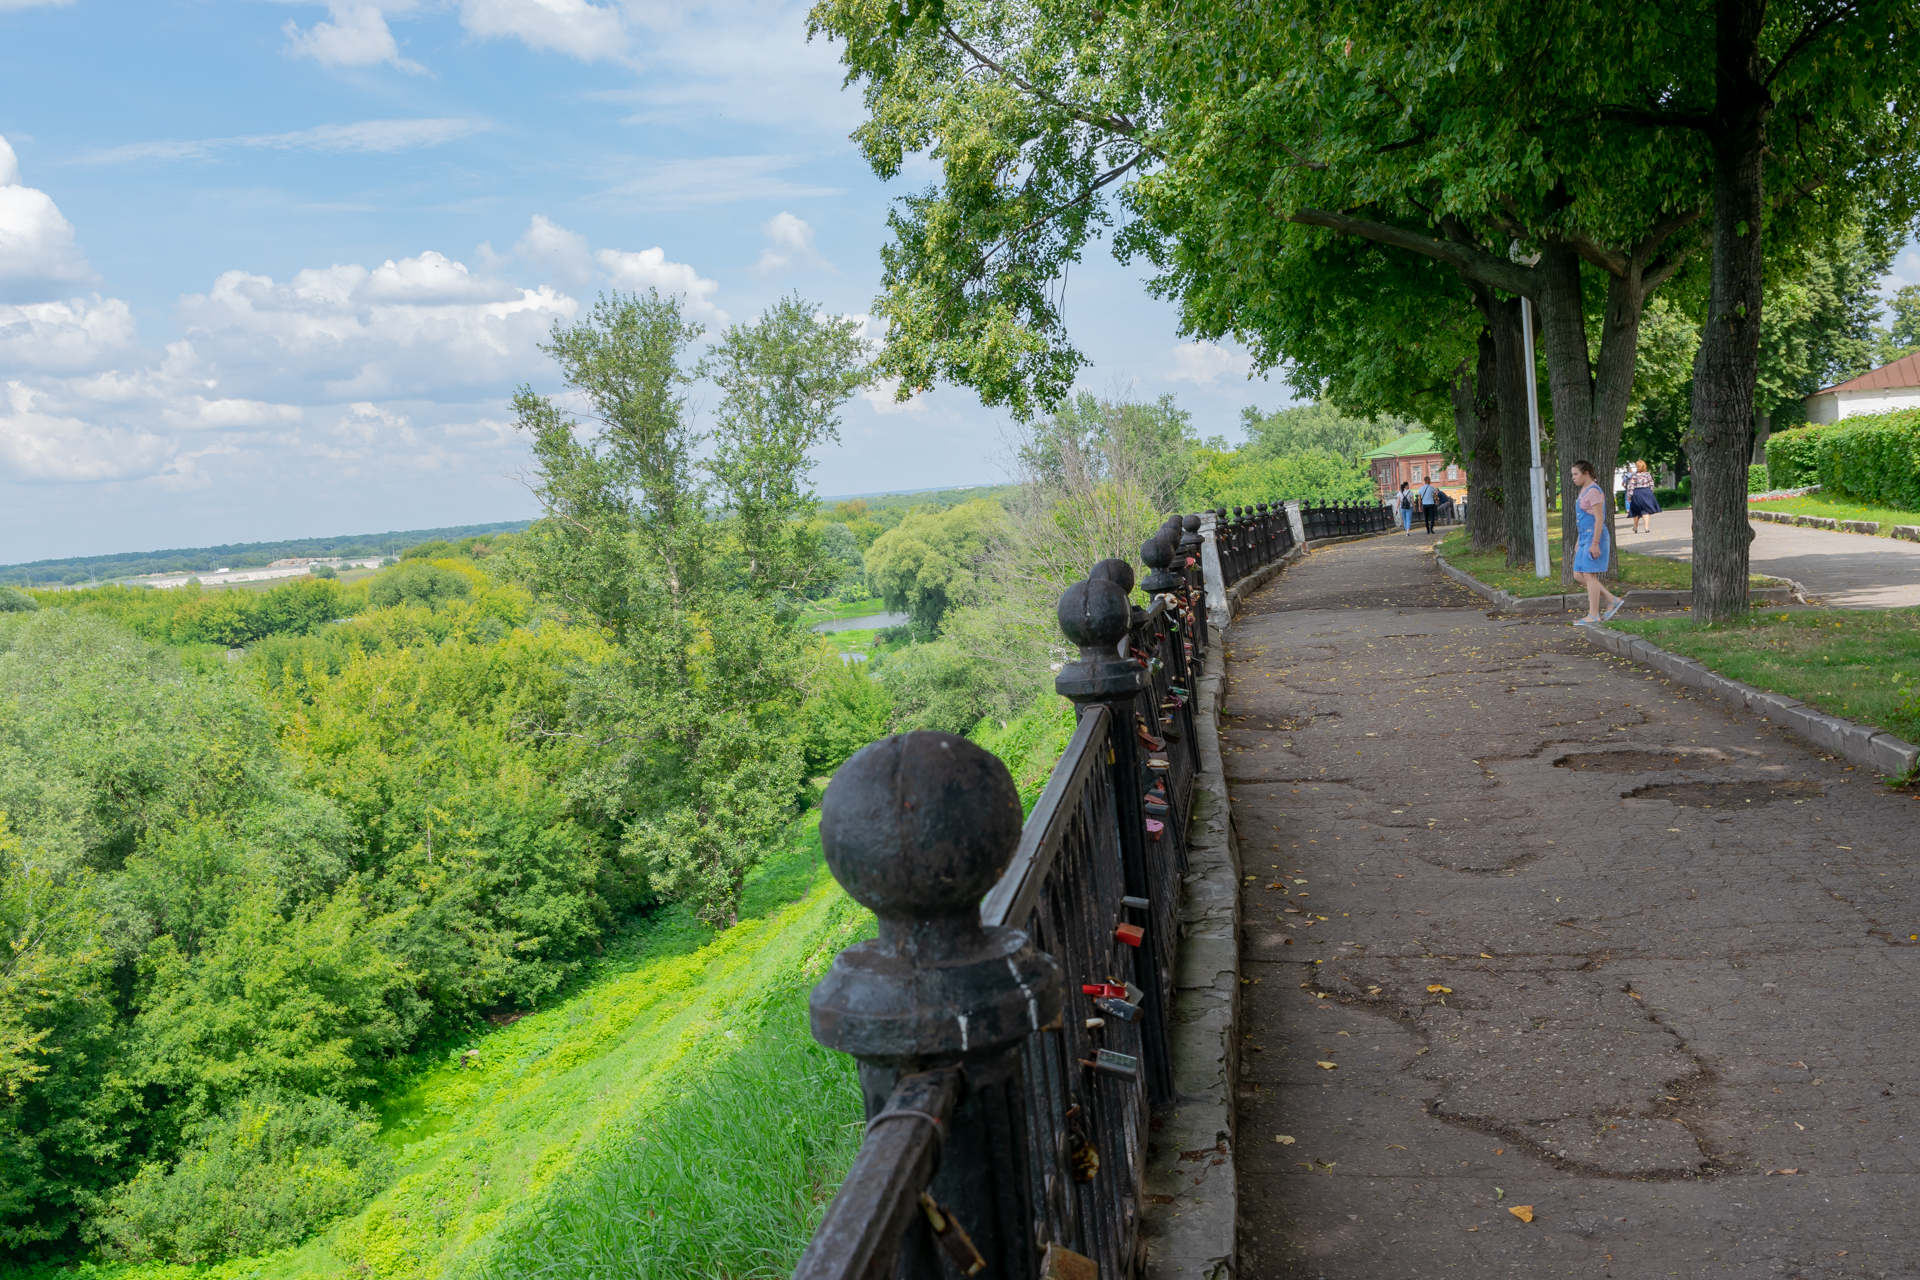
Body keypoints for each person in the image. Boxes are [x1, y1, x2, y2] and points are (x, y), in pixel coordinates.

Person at [1570, 459, 1624, 624]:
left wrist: (1595, 544)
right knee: (1578, 575)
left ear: (1586, 473)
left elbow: (1599, 519)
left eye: (1575, 474)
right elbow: (1584, 519)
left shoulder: (1594, 491)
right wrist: (1579, 540)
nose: (1573, 477)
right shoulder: (1584, 490)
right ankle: (1611, 599)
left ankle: (1593, 614)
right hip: (1585, 537)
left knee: (1589, 575)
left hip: (1595, 537)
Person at [1624, 459, 1659, 533]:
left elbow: (1631, 486)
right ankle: (1646, 528)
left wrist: (1629, 495)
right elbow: (1651, 484)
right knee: (1646, 510)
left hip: (1637, 493)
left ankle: (1635, 528)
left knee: (1636, 510)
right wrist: (1650, 491)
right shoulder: (1648, 474)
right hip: (1646, 492)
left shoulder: (1634, 475)